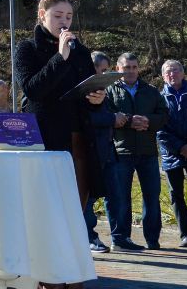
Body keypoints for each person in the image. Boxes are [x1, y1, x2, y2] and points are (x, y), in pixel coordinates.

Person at [14, 0, 106, 206]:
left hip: (79, 138)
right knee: (47, 205)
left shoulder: (81, 52)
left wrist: (97, 99)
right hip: (45, 139)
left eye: (68, 16)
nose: (64, 22)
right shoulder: (27, 48)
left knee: (77, 204)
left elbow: (85, 92)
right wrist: (60, 57)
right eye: (57, 16)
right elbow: (32, 89)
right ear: (42, 15)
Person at [105, 52, 168, 252]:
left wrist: (148, 121)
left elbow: (164, 115)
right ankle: (121, 239)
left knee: (152, 196)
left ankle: (152, 239)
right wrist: (130, 121)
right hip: (121, 152)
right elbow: (106, 117)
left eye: (134, 67)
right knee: (120, 196)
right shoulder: (108, 91)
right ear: (118, 68)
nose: (131, 71)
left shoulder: (150, 90)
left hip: (147, 151)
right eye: (126, 67)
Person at [157, 59, 187, 248]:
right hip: (172, 154)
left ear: (183, 73)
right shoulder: (159, 98)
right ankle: (186, 235)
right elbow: (160, 130)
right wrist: (180, 147)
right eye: (168, 72)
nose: (172, 74)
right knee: (176, 195)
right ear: (163, 76)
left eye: (176, 70)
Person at [83, 51, 115, 253]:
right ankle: (89, 237)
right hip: (88, 152)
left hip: (105, 151)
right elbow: (86, 120)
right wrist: (114, 118)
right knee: (87, 199)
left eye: (106, 71)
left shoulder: (103, 92)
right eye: (101, 70)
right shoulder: (85, 91)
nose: (104, 75)